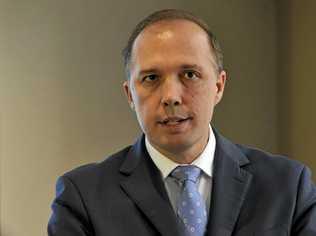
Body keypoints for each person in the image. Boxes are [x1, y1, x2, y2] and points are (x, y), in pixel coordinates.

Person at [48, 9, 316, 236]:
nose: (171, 97)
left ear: (219, 86)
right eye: (151, 78)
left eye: (190, 74)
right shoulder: (82, 197)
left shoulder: (288, 187)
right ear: (130, 94)